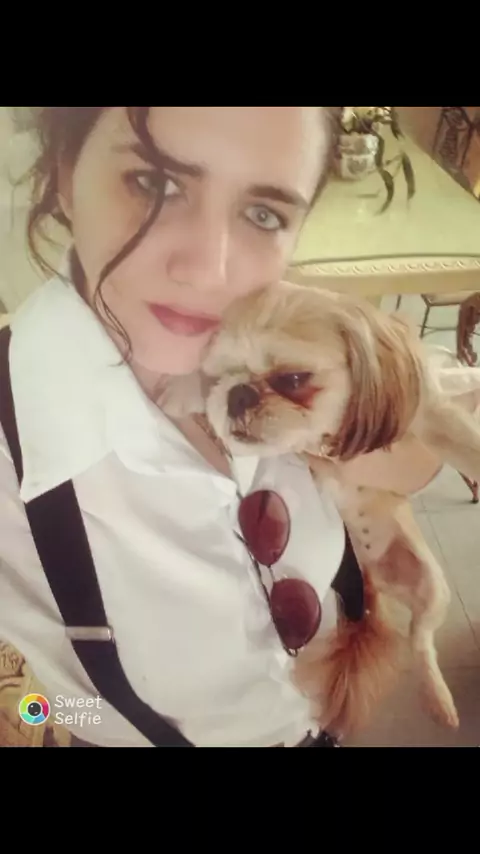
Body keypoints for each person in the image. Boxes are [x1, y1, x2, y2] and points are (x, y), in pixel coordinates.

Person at [0, 107, 443, 748]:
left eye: (264, 214)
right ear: (65, 177)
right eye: (154, 183)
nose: (210, 269)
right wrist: (91, 727)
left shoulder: (291, 344)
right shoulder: (16, 455)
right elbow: (34, 700)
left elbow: (420, 436)